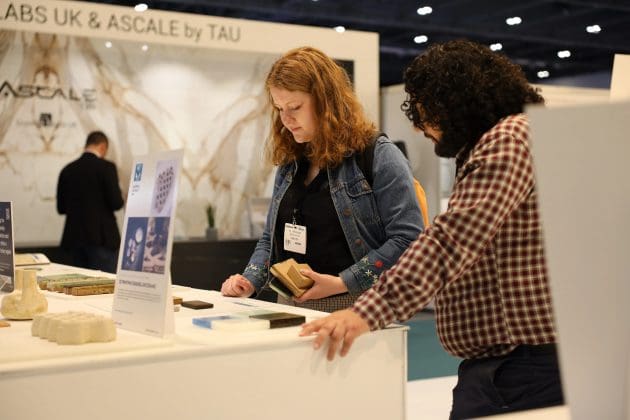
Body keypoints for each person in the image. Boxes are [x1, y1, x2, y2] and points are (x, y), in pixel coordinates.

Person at [301, 39, 564, 419]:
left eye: (425, 111)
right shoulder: (508, 139)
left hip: (518, 367)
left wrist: (366, 312)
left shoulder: (506, 141)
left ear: (457, 102)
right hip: (510, 365)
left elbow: (450, 239)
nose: (419, 125)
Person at [220, 46, 423, 312]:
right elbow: (271, 237)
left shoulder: (379, 155)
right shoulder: (291, 161)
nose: (286, 119)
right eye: (279, 108)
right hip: (289, 305)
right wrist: (250, 280)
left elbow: (408, 239)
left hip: (356, 307)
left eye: (295, 107)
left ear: (326, 102)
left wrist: (342, 282)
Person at [57, 131, 125, 273]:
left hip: (74, 241)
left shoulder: (67, 170)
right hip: (102, 239)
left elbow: (61, 208)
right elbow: (116, 203)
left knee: (77, 284)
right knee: (105, 284)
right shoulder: (107, 168)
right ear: (103, 147)